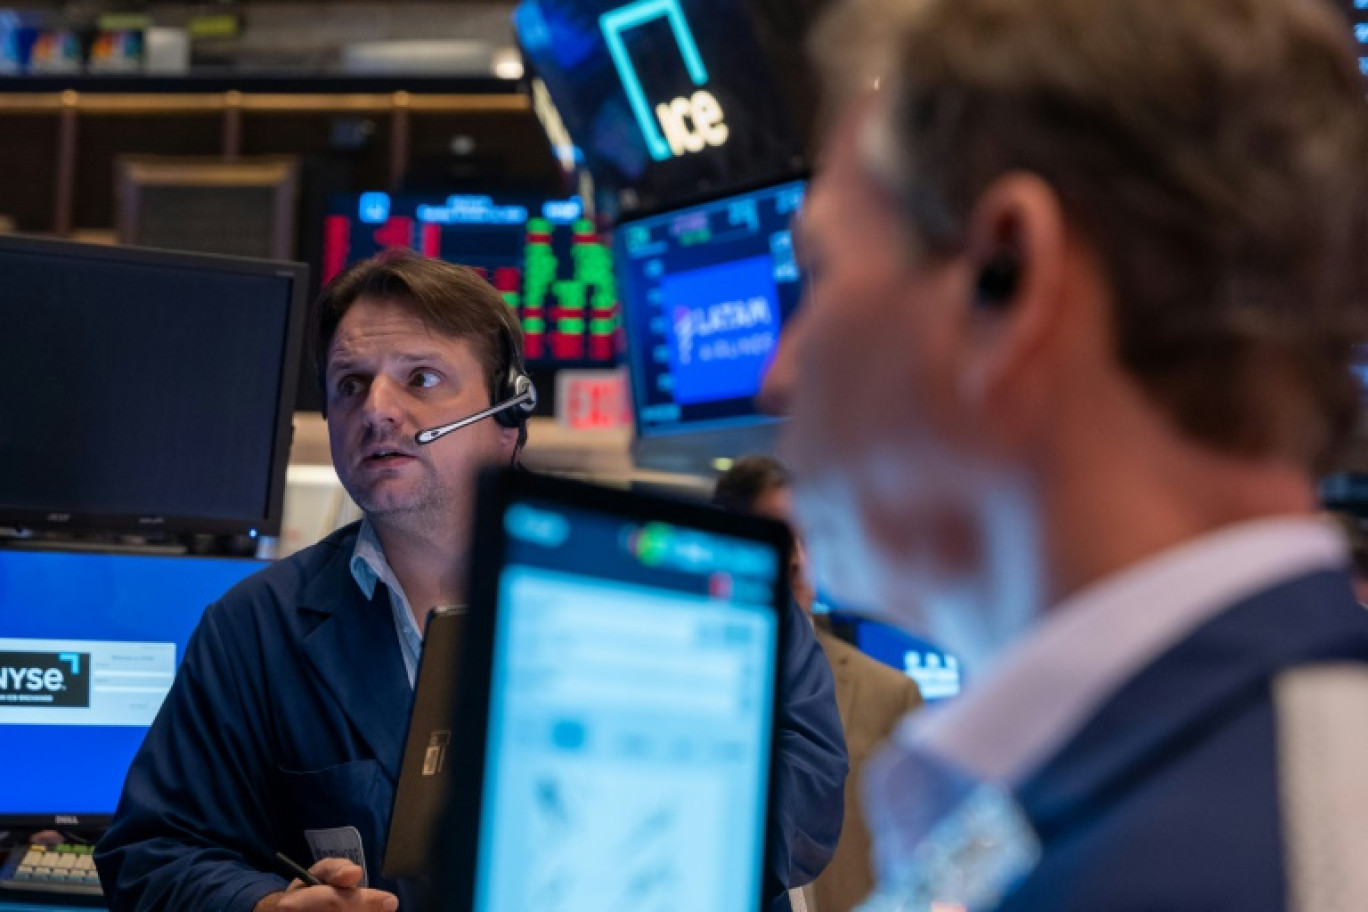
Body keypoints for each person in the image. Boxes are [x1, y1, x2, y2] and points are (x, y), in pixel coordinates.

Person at [767, 0, 1368, 907]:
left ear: (1007, 276)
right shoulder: (1072, 799)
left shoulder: (1295, 851)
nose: (780, 374)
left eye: (823, 274)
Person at [94, 250, 848, 912]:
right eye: (350, 386)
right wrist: (265, 906)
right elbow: (152, 852)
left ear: (507, 414)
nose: (378, 411)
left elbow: (804, 792)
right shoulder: (255, 627)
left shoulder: (682, 573)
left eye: (420, 378)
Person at [714, 456, 921, 912]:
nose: (797, 561)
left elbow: (922, 855)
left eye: (809, 537)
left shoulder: (888, 690)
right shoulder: (698, 669)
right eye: (778, 536)